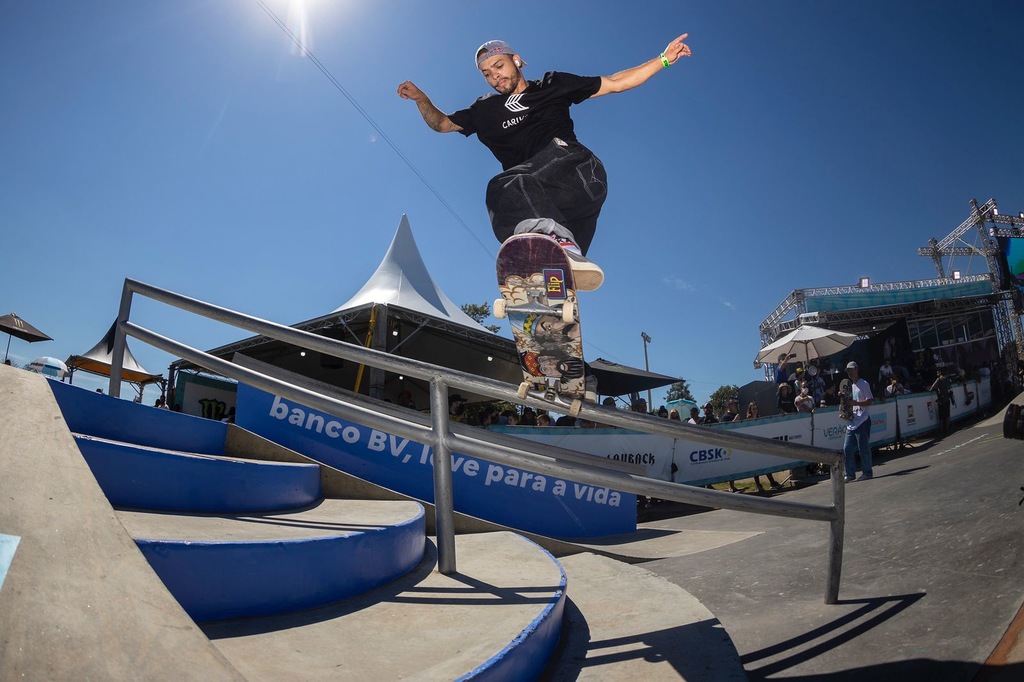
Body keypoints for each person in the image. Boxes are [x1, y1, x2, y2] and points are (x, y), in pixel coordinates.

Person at [397, 34, 693, 290]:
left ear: (517, 60)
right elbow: (443, 124)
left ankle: (555, 244)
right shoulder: (483, 110)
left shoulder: (552, 85)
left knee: (506, 185)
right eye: (487, 73)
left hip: (578, 175)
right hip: (547, 208)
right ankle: (552, 311)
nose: (495, 76)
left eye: (499, 66)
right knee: (548, 278)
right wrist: (422, 99)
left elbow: (614, 83)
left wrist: (663, 59)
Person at [842, 361, 874, 482]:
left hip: (863, 420)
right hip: (852, 421)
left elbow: (870, 401)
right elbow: (847, 404)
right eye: (847, 371)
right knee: (847, 448)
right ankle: (849, 474)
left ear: (856, 369)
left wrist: (856, 403)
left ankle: (867, 472)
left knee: (863, 448)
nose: (849, 372)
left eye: (851, 370)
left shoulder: (864, 384)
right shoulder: (849, 386)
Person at [929, 368, 952, 434]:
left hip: (941, 400)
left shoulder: (939, 379)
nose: (937, 373)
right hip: (947, 399)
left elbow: (932, 387)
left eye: (937, 372)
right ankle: (947, 429)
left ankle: (942, 431)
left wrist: (931, 389)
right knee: (947, 415)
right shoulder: (947, 379)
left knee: (941, 416)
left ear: (940, 372)